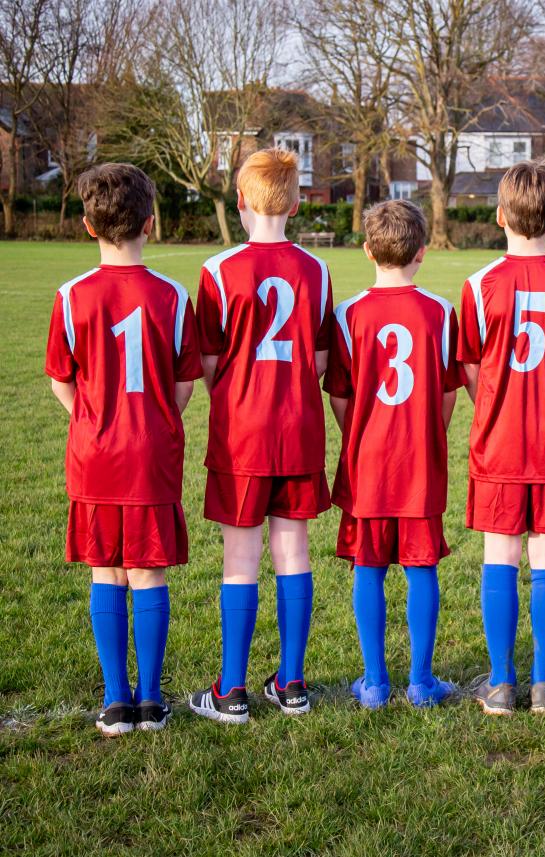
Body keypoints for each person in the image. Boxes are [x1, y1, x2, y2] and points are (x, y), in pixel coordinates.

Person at [45, 163, 202, 734]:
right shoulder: (173, 295)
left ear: (87, 226)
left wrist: (92, 420)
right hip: (152, 454)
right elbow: (185, 383)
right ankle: (152, 699)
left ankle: (116, 701)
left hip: (95, 456)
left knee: (106, 573)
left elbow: (61, 379)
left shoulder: (70, 296)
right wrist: (152, 421)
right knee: (149, 574)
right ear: (151, 224)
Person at [189, 148, 334, 723]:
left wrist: (238, 395)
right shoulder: (316, 270)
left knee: (240, 558)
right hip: (298, 427)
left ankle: (231, 689)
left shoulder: (219, 270)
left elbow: (206, 360)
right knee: (293, 552)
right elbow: (320, 358)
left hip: (241, 433)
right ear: (297, 204)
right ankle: (291, 683)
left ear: (241, 201)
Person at [458, 161, 545, 715]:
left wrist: (498, 402)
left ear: (499, 217)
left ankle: (500, 683)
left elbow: (471, 367)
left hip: (498, 441)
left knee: (501, 552)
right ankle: (543, 682)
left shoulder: (478, 285)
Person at [326, 200, 461, 710]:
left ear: (367, 251)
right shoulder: (440, 313)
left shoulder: (348, 314)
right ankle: (422, 682)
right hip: (419, 462)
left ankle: (375, 681)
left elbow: (340, 395)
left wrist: (359, 433)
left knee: (369, 566)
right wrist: (427, 430)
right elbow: (448, 393)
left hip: (368, 463)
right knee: (422, 566)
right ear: (422, 252)